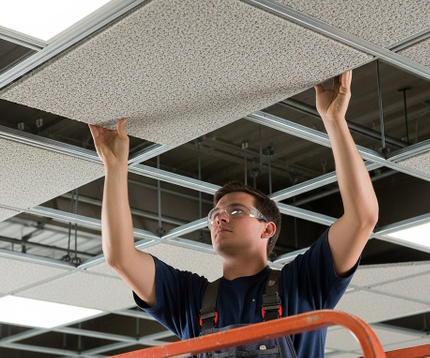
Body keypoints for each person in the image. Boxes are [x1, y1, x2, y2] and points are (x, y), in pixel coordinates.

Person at [88, 70, 378, 357]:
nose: (219, 217)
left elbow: (362, 217)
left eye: (235, 210)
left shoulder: (303, 283)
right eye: (215, 213)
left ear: (267, 229)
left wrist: (334, 121)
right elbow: (121, 257)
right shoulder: (192, 299)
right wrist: (115, 168)